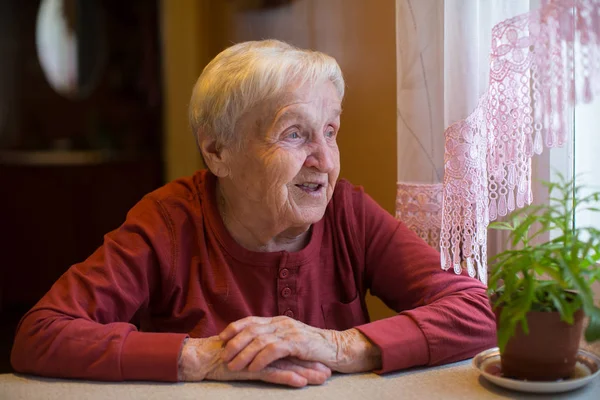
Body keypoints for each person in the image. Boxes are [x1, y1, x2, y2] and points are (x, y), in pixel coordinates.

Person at [11, 40, 496, 387]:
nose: (325, 161)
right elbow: (41, 335)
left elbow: (480, 311)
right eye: (294, 134)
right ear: (218, 152)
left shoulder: (348, 212)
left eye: (330, 131)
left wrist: (338, 345)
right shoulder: (168, 221)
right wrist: (202, 356)